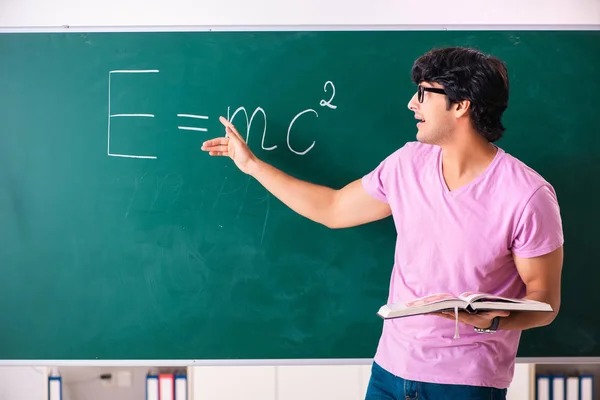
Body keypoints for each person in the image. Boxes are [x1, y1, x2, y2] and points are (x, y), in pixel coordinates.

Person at [201, 46, 564, 400]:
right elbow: (333, 207)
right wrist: (251, 165)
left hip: (466, 383)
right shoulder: (407, 164)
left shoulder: (526, 195)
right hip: (389, 372)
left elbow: (544, 303)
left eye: (424, 93)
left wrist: (489, 319)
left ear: (461, 105)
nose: (412, 103)